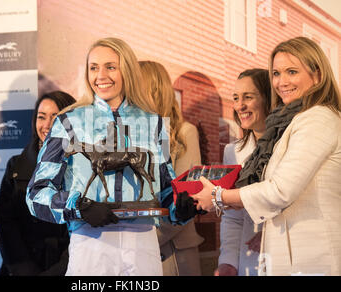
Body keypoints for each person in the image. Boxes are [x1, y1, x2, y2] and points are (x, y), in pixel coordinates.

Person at [26, 37, 196, 276]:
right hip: (90, 245)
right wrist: (79, 207)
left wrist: (182, 208)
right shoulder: (68, 121)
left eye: (110, 67)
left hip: (144, 247)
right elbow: (35, 194)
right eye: (93, 67)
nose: (100, 75)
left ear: (127, 70)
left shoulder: (154, 123)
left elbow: (166, 188)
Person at [193, 36, 341, 276]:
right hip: (287, 257)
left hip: (312, 257)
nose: (282, 82)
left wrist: (218, 196)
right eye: (276, 73)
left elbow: (280, 190)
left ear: (318, 75)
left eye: (292, 72)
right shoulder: (290, 124)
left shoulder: (317, 119)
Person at [0, 91, 75, 276]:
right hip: (21, 269)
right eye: (41, 117)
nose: (47, 125)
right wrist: (24, 269)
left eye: (55, 116)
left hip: (69, 267)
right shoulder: (16, 166)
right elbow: (6, 224)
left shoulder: (83, 166)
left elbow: (84, 227)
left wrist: (60, 270)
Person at [139, 60, 204, 276]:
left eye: (135, 86)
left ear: (153, 89)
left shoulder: (185, 133)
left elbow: (186, 201)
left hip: (171, 253)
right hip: (135, 254)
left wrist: (140, 241)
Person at [216, 69, 271, 276]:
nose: (240, 106)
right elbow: (233, 217)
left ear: (268, 99)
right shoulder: (233, 151)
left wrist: (268, 236)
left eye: (248, 97)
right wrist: (228, 261)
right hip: (248, 260)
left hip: (286, 255)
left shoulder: (290, 144)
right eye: (236, 98)